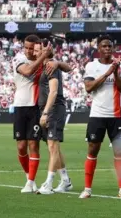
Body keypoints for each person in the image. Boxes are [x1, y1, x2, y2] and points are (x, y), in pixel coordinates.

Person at [80, 35, 121, 199]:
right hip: (97, 114)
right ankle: (87, 189)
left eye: (110, 46)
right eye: (104, 46)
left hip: (116, 116)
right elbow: (89, 88)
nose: (107, 49)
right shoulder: (91, 66)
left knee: (119, 152)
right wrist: (107, 73)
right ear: (98, 48)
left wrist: (116, 73)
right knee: (93, 149)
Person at [13, 35, 67, 193]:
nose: (29, 51)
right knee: (21, 147)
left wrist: (56, 61)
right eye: (27, 48)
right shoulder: (19, 59)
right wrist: (44, 55)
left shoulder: (46, 63)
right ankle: (31, 176)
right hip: (21, 106)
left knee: (37, 144)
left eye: (33, 48)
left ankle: (31, 182)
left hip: (37, 108)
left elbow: (67, 67)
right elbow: (28, 71)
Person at [36, 40, 72, 194]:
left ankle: (48, 183)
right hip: (49, 108)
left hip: (54, 108)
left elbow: (53, 91)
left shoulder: (51, 65)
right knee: (54, 146)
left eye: (40, 49)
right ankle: (65, 181)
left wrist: (45, 112)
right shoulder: (45, 65)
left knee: (52, 145)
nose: (37, 52)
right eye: (38, 50)